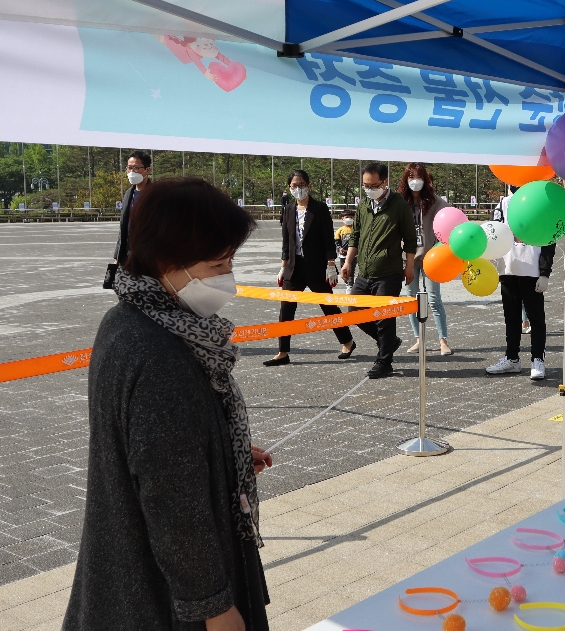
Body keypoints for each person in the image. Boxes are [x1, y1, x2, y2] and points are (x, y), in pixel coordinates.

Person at [64, 178, 271, 631]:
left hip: (123, 569)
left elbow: (154, 452)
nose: (227, 276)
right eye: (217, 263)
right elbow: (171, 502)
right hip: (162, 596)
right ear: (167, 262)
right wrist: (213, 606)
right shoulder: (160, 353)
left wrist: (219, 453)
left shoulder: (126, 320)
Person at [263, 170, 355, 366]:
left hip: (316, 267)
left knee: (328, 306)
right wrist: (282, 266)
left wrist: (331, 265)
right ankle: (283, 351)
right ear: (289, 188)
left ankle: (347, 341)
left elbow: (327, 238)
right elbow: (286, 241)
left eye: (302, 184)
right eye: (294, 186)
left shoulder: (319, 208)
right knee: (286, 309)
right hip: (293, 268)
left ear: (309, 186)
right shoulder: (288, 209)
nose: (299, 189)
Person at [339, 163, 417, 379]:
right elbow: (355, 235)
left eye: (373, 185)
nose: (369, 189)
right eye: (365, 185)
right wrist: (348, 263)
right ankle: (390, 342)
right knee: (354, 313)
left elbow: (410, 240)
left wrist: (409, 266)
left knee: (384, 318)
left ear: (385, 182)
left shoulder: (399, 205)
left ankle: (384, 362)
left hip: (388, 273)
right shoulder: (364, 203)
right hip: (364, 271)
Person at [486, 184, 555, 380]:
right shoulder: (504, 204)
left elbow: (550, 239)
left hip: (532, 270)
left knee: (536, 318)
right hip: (508, 268)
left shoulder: (540, 204)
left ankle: (537, 359)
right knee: (511, 317)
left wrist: (545, 272)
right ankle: (512, 358)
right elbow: (494, 232)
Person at [400, 162, 453, 355]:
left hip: (432, 259)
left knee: (434, 299)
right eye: (411, 177)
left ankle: (443, 340)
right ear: (406, 180)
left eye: (419, 177)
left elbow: (450, 221)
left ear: (426, 180)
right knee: (411, 300)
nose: (415, 181)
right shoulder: (401, 203)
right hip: (409, 259)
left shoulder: (436, 202)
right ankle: (418, 339)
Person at [105, 150, 152, 289]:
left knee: (145, 292)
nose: (132, 171)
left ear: (147, 170)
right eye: (129, 168)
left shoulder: (156, 194)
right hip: (127, 255)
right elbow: (123, 228)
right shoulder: (128, 194)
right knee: (124, 290)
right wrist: (117, 257)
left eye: (136, 168)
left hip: (147, 256)